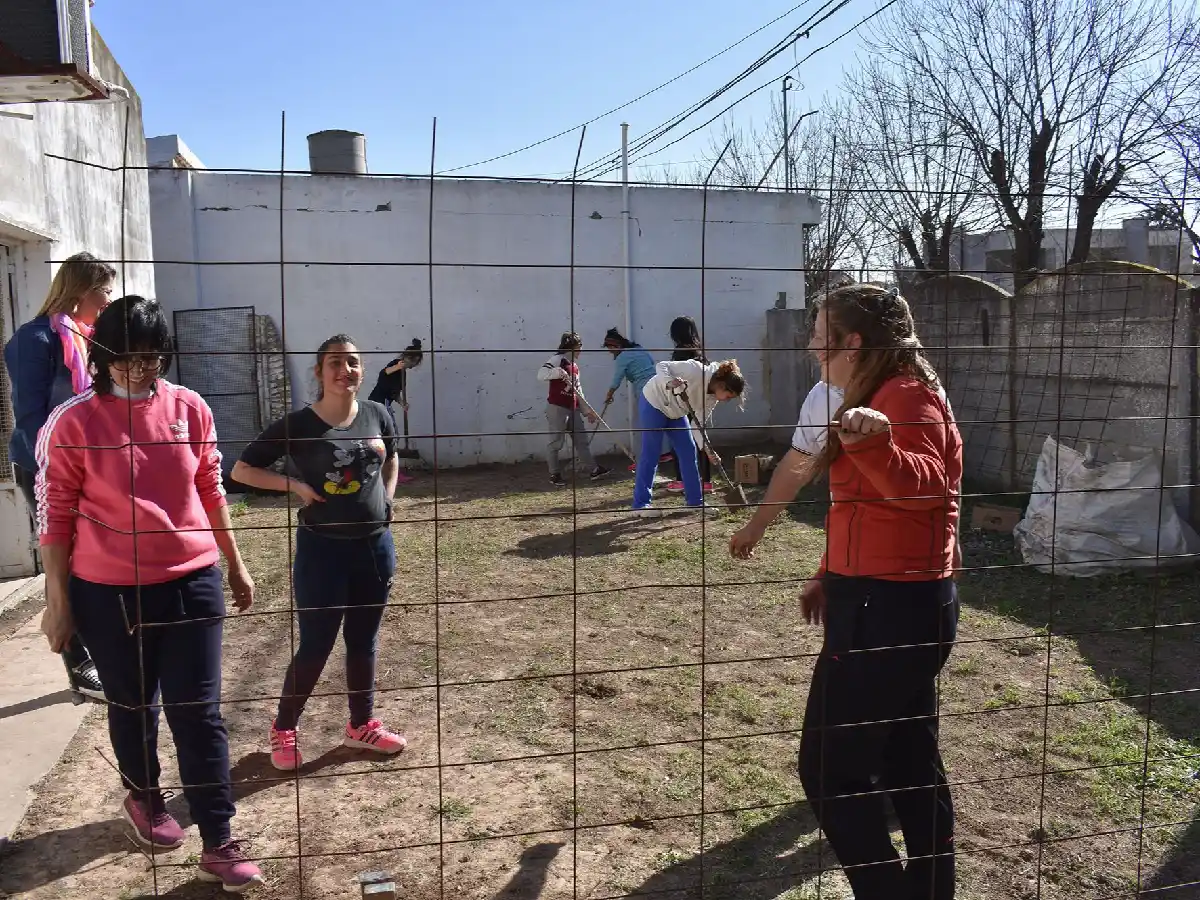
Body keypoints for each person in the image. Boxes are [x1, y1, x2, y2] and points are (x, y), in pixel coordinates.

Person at [36, 295, 262, 890]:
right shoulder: (74, 421)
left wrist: (235, 566)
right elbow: (54, 515)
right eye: (127, 358)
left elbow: (212, 489)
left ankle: (219, 836)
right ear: (104, 355)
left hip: (192, 580)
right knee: (136, 706)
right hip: (108, 593)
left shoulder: (190, 408)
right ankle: (144, 795)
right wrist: (58, 605)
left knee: (201, 715)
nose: (140, 369)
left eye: (152, 357)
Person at [793, 284, 962, 900]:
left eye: (821, 335)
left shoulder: (904, 397)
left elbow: (921, 490)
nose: (814, 347)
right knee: (908, 764)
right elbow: (864, 508)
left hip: (886, 612)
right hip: (891, 601)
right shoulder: (894, 389)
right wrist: (826, 571)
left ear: (853, 343)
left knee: (828, 771)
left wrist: (875, 439)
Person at [232, 334, 408, 773]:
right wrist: (294, 486)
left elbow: (391, 458)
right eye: (334, 362)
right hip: (322, 551)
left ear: (362, 370)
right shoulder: (298, 424)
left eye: (352, 362)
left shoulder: (377, 413)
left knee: (364, 640)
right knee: (316, 642)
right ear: (319, 371)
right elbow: (241, 469)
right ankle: (284, 726)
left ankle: (361, 725)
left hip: (374, 547)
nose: (344, 370)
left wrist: (387, 497)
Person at [4, 251, 116, 703]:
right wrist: (61, 471)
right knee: (63, 562)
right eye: (104, 291)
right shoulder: (34, 340)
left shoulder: (90, 339)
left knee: (91, 557)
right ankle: (79, 663)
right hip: (46, 468)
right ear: (80, 290)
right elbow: (30, 416)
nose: (109, 300)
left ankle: (100, 647)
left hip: (88, 466)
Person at [728, 379, 845, 558]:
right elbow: (797, 464)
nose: (812, 349)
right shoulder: (822, 394)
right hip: (848, 542)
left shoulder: (897, 390)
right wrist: (757, 524)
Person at [633, 358, 744, 516]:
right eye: (729, 396)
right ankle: (641, 504)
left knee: (688, 451)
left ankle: (695, 502)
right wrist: (669, 381)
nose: (727, 400)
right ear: (721, 385)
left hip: (677, 412)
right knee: (651, 453)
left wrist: (708, 450)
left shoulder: (712, 399)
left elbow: (698, 426)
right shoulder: (694, 370)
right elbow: (662, 365)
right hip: (655, 402)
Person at [537, 332, 610, 486]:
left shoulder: (575, 366)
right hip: (557, 407)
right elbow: (541, 374)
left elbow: (578, 390)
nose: (580, 351)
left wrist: (586, 411)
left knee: (581, 441)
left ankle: (593, 470)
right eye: (578, 347)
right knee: (556, 442)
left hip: (573, 408)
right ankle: (554, 474)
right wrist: (556, 372)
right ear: (570, 348)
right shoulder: (556, 360)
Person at [664, 316, 714, 493]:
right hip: (700, 402)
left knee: (679, 441)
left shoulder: (679, 352)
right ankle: (706, 481)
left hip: (684, 402)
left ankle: (681, 480)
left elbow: (672, 378)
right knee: (701, 439)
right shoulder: (699, 352)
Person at [367, 338, 423, 485]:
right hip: (379, 403)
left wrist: (402, 403)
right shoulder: (395, 365)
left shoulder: (402, 372)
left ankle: (384, 470)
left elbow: (393, 392)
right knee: (392, 436)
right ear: (412, 358)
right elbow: (383, 373)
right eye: (415, 362)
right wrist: (397, 367)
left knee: (386, 437)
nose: (414, 365)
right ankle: (392, 472)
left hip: (384, 402)